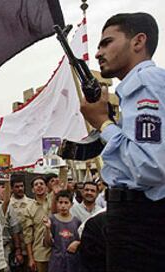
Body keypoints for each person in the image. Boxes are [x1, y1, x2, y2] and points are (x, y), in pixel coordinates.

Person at [80, 12, 165, 271]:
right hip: (133, 216)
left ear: (138, 42)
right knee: (93, 233)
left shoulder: (145, 82)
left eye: (107, 42)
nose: (97, 53)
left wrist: (103, 124)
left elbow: (149, 166)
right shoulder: (136, 87)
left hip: (141, 220)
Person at [43, 190, 81, 272]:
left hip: (72, 262)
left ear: (71, 204)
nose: (63, 206)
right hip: (56, 262)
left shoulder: (77, 221)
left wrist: (77, 243)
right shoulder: (52, 220)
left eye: (66, 203)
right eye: (60, 202)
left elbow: (81, 241)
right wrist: (47, 229)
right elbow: (47, 243)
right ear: (56, 203)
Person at [22, 176, 51, 272]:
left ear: (46, 187)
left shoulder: (54, 202)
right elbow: (28, 236)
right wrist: (30, 258)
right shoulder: (28, 208)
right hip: (40, 253)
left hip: (57, 251)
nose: (39, 186)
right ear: (32, 190)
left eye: (41, 184)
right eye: (36, 185)